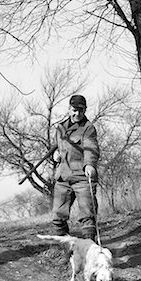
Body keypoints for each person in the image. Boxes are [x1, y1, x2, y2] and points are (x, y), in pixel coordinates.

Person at [51, 94, 100, 241]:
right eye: (74, 110)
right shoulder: (60, 128)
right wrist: (55, 154)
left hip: (82, 177)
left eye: (81, 110)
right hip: (62, 177)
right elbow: (56, 146)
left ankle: (89, 248)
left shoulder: (88, 128)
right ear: (69, 109)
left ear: (85, 110)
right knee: (57, 217)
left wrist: (90, 165)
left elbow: (91, 148)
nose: (77, 113)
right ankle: (65, 247)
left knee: (87, 215)